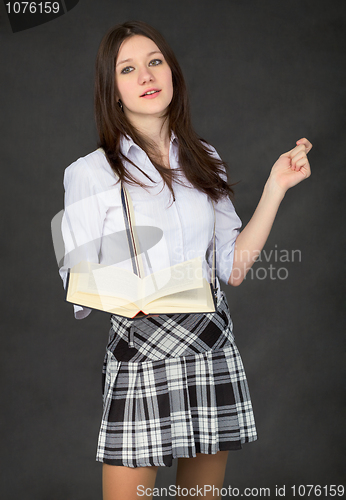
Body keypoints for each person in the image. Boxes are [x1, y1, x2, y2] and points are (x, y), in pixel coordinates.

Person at [59, 20, 312, 500]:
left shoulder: (205, 160)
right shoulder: (89, 174)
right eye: (128, 69)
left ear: (172, 72)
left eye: (155, 61)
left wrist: (275, 187)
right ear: (113, 90)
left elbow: (232, 268)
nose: (146, 75)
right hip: (142, 348)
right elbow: (77, 281)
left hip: (209, 343)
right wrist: (136, 276)